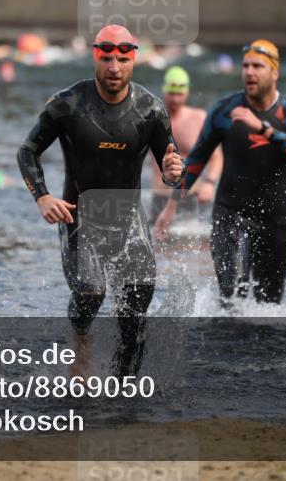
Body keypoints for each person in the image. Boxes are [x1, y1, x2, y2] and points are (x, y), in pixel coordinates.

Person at [17, 24, 184, 375]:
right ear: (95, 57)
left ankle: (123, 391)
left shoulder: (151, 110)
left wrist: (173, 174)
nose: (114, 67)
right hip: (79, 214)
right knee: (92, 291)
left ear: (133, 60)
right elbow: (28, 151)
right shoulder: (68, 104)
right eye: (106, 58)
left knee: (137, 301)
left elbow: (173, 167)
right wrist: (42, 197)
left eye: (122, 59)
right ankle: (79, 338)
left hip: (127, 218)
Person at [154, 40, 286, 305]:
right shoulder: (224, 110)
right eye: (245, 66)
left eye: (258, 66)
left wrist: (264, 130)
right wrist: (171, 206)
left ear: (275, 73)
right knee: (230, 299)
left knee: (269, 305)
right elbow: (196, 160)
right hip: (230, 214)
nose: (249, 72)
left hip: (275, 220)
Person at [148, 66, 223, 225]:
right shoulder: (151, 120)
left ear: (187, 92)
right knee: (158, 248)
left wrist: (209, 183)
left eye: (179, 94)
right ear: (163, 91)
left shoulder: (199, 118)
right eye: (171, 93)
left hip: (190, 197)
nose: (175, 99)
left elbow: (216, 156)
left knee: (192, 248)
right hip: (160, 198)